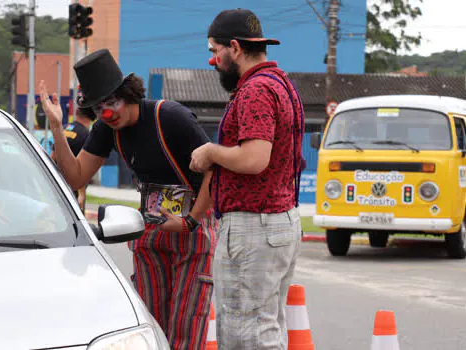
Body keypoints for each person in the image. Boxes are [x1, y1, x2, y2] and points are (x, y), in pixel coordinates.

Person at [39, 48, 217, 350]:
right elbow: (76, 177)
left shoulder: (171, 116)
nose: (106, 114)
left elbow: (214, 171)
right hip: (152, 228)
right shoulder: (107, 129)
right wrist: (57, 126)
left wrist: (189, 221)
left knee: (186, 327)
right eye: (98, 108)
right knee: (150, 325)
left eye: (111, 103)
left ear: (128, 93)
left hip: (192, 228)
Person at [190, 9, 305, 349]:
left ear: (235, 48)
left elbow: (255, 159)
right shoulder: (281, 84)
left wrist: (211, 151)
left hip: (254, 227)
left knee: (246, 335)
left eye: (215, 51)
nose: (213, 60)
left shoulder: (255, 90)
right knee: (264, 330)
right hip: (278, 222)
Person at [50, 101, 94, 213]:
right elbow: (83, 168)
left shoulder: (64, 129)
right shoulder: (86, 135)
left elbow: (53, 157)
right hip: (74, 189)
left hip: (57, 186)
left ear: (76, 112)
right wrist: (82, 194)